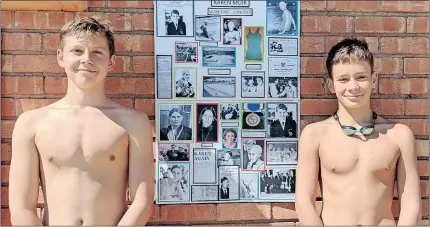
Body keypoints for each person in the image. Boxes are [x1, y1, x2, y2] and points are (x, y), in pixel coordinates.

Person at [8, 16, 154, 226]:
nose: (87, 59)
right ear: (60, 57)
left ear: (111, 62)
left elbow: (143, 202)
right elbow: (21, 209)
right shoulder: (31, 123)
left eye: (97, 52)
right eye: (77, 51)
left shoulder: (133, 123)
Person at [295, 38, 421, 226]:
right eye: (343, 79)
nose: (353, 87)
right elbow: (304, 201)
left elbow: (411, 203)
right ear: (331, 85)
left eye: (361, 77)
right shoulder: (315, 135)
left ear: (374, 79)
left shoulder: (399, 135)